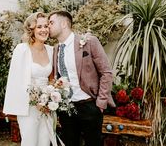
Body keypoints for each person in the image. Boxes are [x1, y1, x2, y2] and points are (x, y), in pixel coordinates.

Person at [48, 10, 116, 146]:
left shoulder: (89, 42)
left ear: (63, 24)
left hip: (89, 106)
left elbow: (106, 72)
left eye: (51, 22)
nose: (48, 26)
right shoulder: (56, 49)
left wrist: (100, 103)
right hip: (66, 108)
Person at [3, 12, 54, 146]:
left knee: (45, 140)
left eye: (46, 26)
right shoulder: (22, 50)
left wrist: (51, 99)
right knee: (30, 141)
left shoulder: (51, 50)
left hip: (47, 105)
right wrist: (36, 101)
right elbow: (17, 81)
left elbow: (52, 79)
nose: (44, 30)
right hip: (28, 105)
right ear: (31, 30)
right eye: (39, 27)